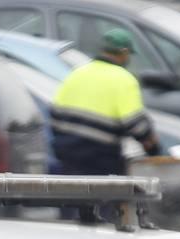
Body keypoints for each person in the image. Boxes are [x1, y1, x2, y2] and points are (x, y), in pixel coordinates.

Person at [50, 28, 160, 178]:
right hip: (99, 159)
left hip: (66, 156)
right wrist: (153, 148)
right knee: (108, 196)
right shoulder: (124, 79)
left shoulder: (77, 73)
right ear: (124, 53)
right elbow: (136, 125)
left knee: (73, 198)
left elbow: (55, 113)